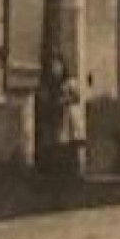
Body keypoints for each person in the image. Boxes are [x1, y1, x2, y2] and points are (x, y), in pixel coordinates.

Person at [36, 45, 84, 178]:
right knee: (57, 142)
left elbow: (76, 96)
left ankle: (73, 170)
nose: (56, 69)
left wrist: (64, 100)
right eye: (53, 66)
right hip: (56, 117)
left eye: (58, 65)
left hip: (68, 117)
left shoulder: (69, 82)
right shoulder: (50, 85)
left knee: (69, 142)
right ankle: (58, 171)